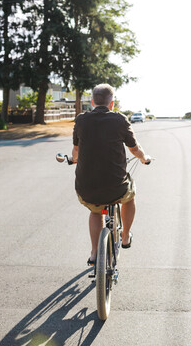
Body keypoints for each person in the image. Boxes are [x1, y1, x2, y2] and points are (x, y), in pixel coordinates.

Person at [72, 84, 152, 266]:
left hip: (87, 187)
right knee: (129, 197)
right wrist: (144, 158)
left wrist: (73, 159)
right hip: (116, 186)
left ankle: (94, 253)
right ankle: (125, 236)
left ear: (92, 102)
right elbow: (134, 148)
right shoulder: (120, 120)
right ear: (112, 103)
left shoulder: (81, 120)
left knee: (95, 211)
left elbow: (76, 149)